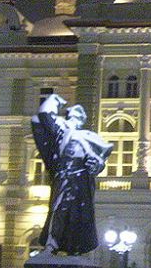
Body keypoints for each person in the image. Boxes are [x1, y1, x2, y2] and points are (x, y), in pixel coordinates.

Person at [31, 94, 113, 255]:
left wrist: (96, 166)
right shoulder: (60, 133)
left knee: (78, 214)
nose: (72, 120)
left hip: (80, 178)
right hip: (63, 176)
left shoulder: (88, 137)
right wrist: (55, 100)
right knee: (58, 209)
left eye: (75, 117)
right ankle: (51, 245)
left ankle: (75, 248)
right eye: (70, 116)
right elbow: (42, 116)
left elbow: (100, 159)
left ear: (80, 120)